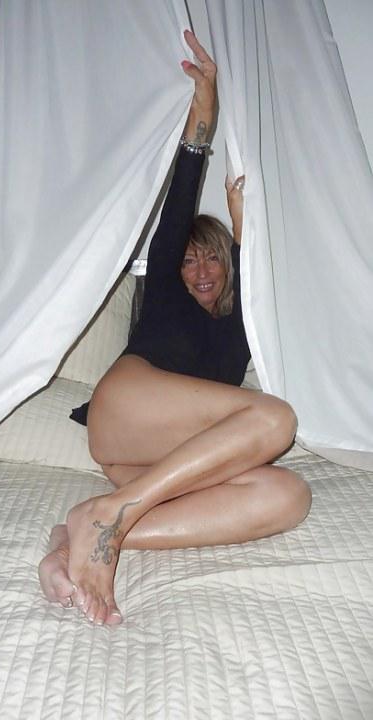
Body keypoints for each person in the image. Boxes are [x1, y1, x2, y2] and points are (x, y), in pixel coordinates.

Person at [39, 31, 311, 626]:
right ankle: (110, 516)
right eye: (189, 260)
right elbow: (181, 200)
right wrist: (203, 114)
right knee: (276, 420)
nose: (201, 270)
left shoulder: (241, 326)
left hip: (151, 466)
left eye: (212, 257)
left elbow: (255, 276)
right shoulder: (165, 291)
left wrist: (243, 232)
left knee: (287, 496)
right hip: (126, 411)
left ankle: (78, 535)